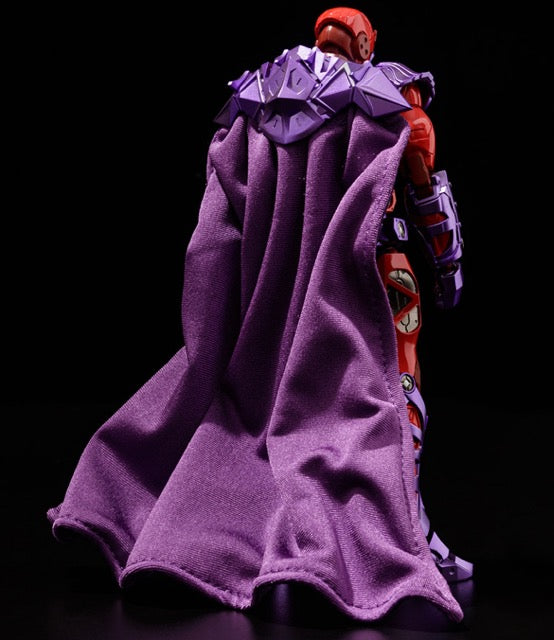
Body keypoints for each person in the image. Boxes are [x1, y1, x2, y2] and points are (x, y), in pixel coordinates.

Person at [48, 6, 469, 623]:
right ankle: (403, 542)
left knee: (268, 419)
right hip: (372, 274)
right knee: (388, 399)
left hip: (270, 285)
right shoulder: (390, 95)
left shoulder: (258, 96)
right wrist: (449, 265)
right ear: (367, 41)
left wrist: (220, 308)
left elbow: (215, 230)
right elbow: (427, 188)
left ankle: (252, 542)